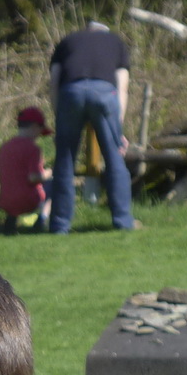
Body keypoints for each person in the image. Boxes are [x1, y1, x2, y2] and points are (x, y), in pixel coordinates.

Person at [47, 21, 137, 233]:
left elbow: (54, 82)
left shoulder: (67, 41)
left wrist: (59, 117)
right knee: (114, 158)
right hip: (104, 93)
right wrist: (118, 128)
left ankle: (60, 225)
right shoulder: (115, 41)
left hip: (71, 92)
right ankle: (123, 221)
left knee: (64, 160)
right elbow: (122, 86)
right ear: (104, 32)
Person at [0, 106, 52, 233]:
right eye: (40, 131)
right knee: (55, 185)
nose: (39, 136)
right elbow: (33, 177)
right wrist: (50, 173)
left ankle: (11, 221)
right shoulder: (33, 148)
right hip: (27, 201)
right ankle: (42, 220)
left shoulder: (4, 147)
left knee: (15, 186)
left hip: (5, 201)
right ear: (34, 127)